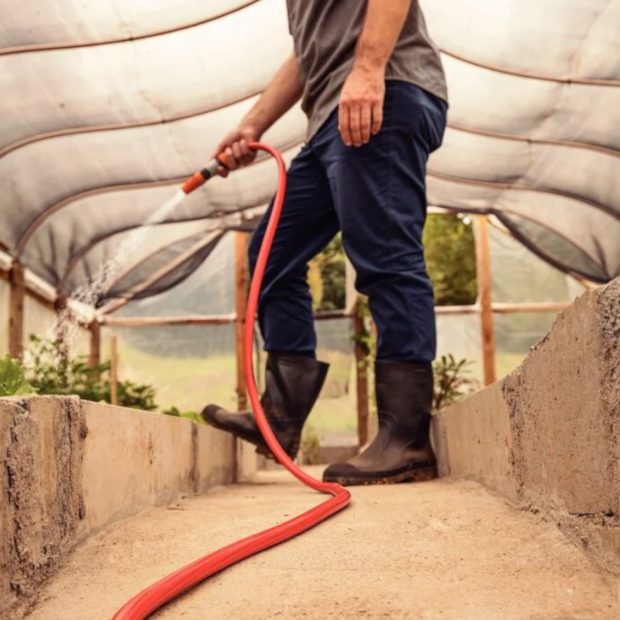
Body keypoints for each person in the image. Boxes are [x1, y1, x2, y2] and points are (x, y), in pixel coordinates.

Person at [202, 0, 448, 486]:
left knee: (384, 256)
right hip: (327, 118)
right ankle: (280, 415)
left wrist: (370, 68)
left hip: (382, 92)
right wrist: (254, 123)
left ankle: (407, 437)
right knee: (271, 252)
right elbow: (307, 51)